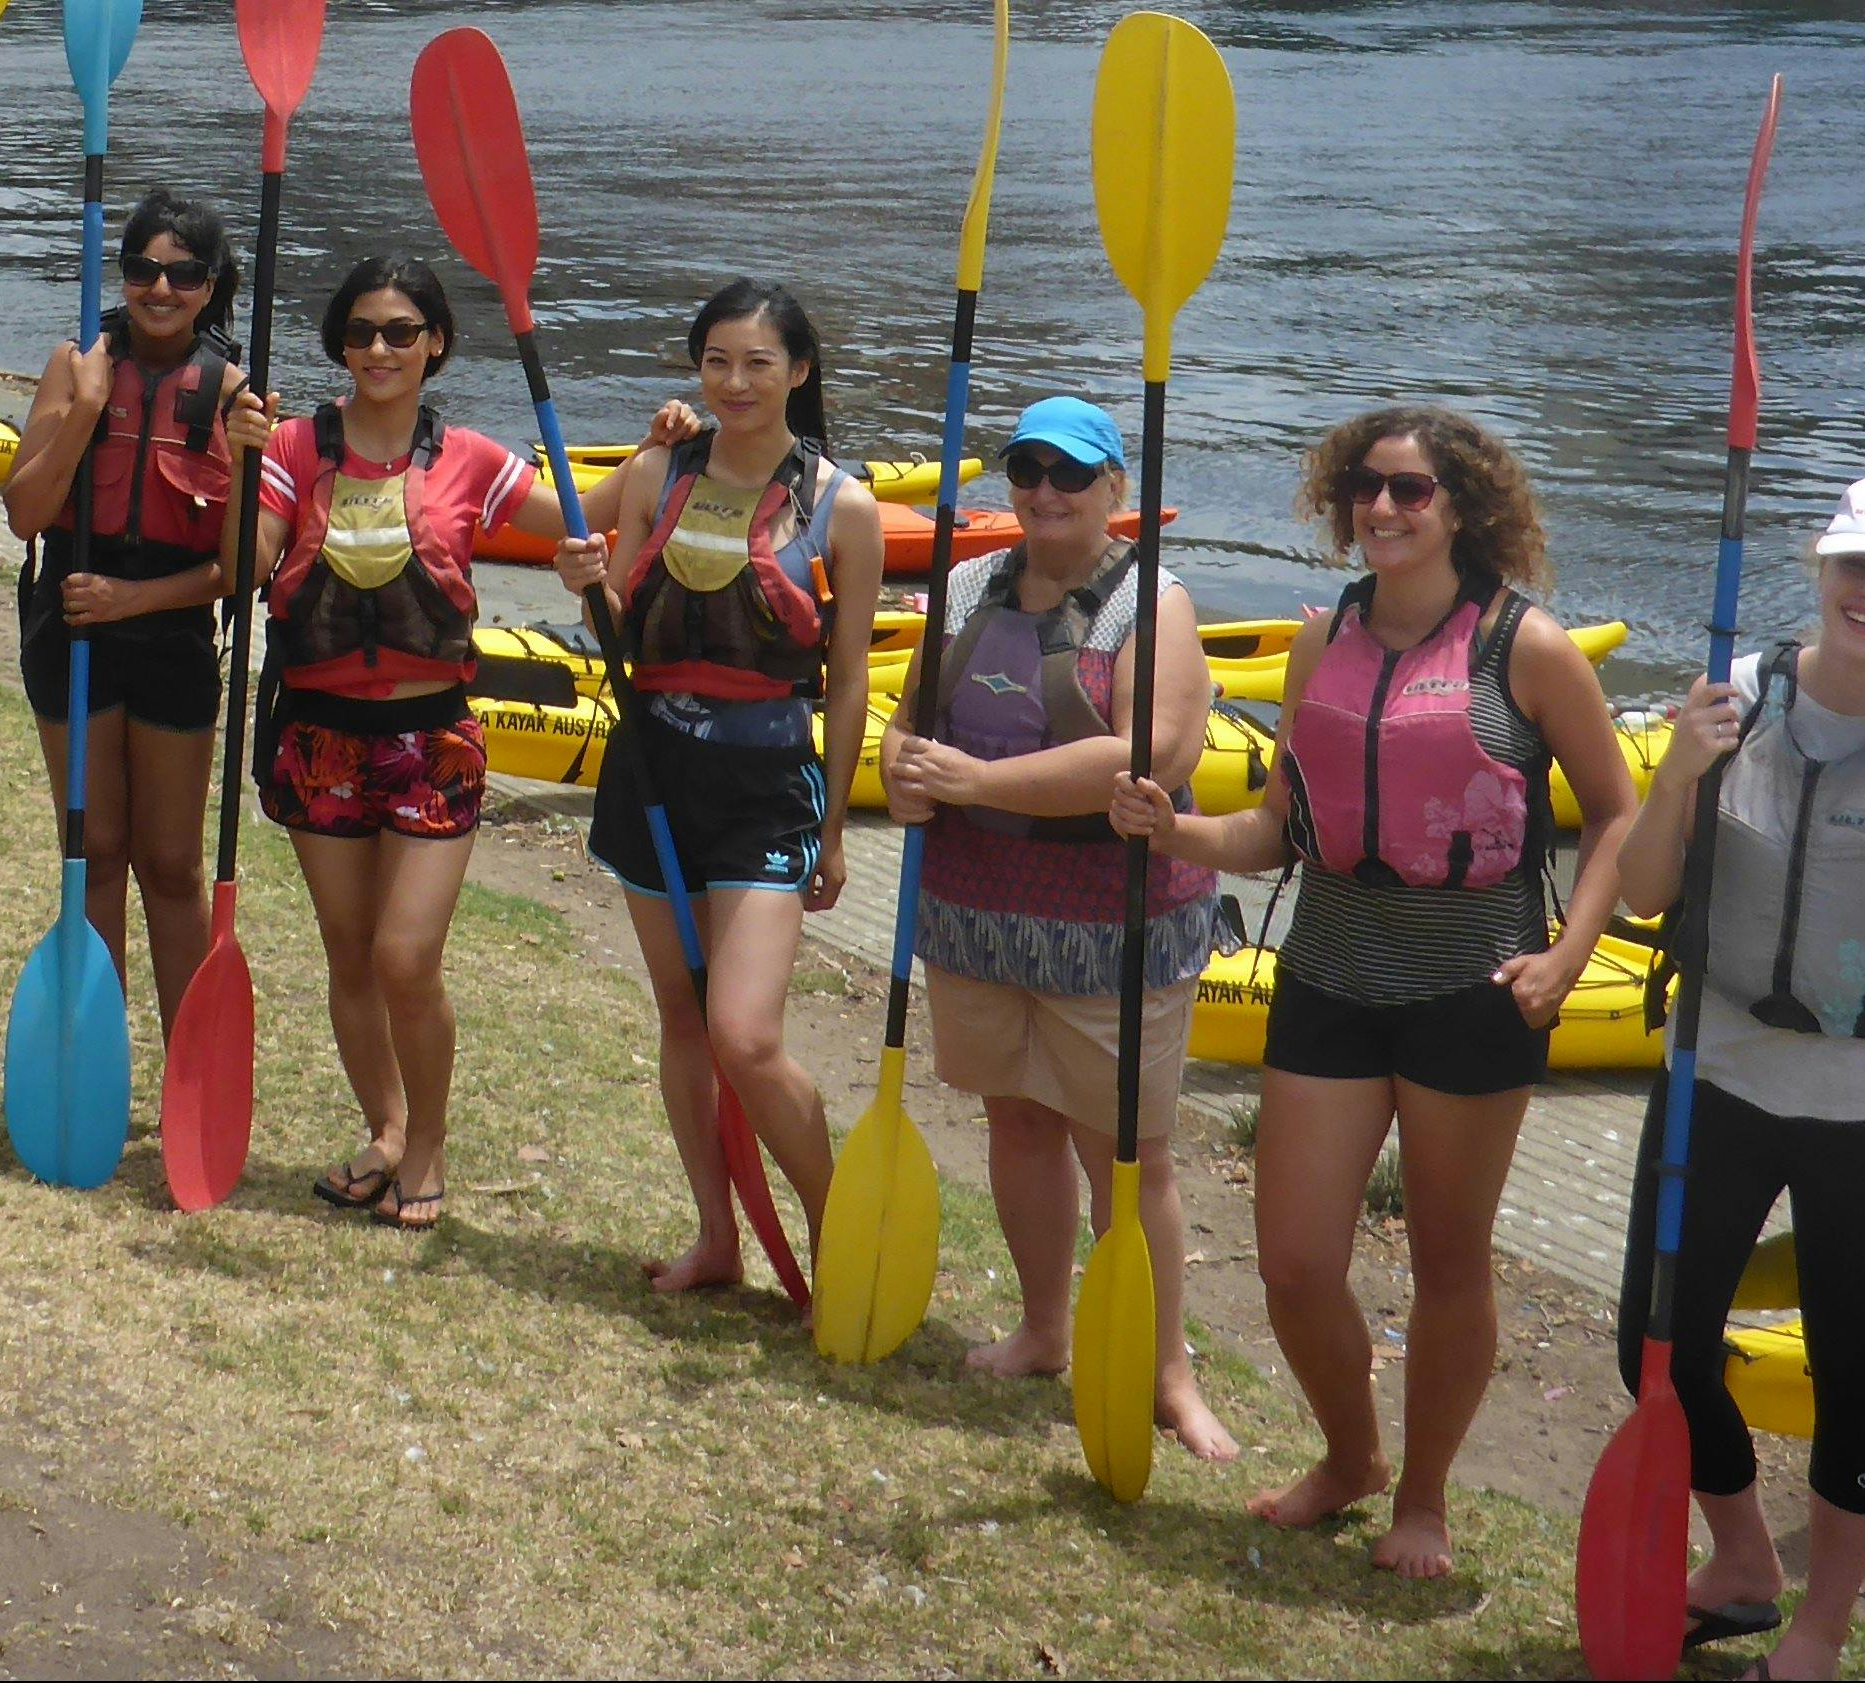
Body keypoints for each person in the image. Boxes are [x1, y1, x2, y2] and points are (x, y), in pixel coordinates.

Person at [1113, 404, 1641, 1570]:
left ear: (1464, 509)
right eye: (1369, 488)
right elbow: (1278, 832)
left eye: (1411, 490)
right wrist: (1175, 830)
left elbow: (1615, 813)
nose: (1385, 509)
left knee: (1449, 1262)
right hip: (1335, 971)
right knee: (1297, 1264)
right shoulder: (1324, 641)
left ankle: (1426, 1502)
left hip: (1473, 985)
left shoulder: (1526, 648)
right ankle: (1352, 1459)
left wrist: (1570, 957)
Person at [1610, 478, 1865, 1679]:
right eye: (1856, 569)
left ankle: (1822, 1632)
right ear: (1820, 570)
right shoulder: (1730, 703)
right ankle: (1742, 1559)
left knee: (1855, 1365)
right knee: (1656, 1343)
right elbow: (1642, 887)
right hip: (1719, 1079)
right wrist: (1680, 774)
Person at [873, 395, 1235, 1460]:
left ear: (1116, 490)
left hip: (1111, 925)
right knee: (1016, 1121)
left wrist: (979, 777)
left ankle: (1168, 1370)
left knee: (1129, 1158)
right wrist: (900, 776)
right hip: (976, 910)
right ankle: (1044, 1328)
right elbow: (910, 724)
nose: (1043, 493)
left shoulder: (1150, 606)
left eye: (1070, 475)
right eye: (1026, 471)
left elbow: (1152, 753)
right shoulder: (966, 586)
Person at [563, 280, 883, 1294]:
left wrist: (833, 829)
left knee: (745, 1034)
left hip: (763, 789)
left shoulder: (846, 506)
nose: (735, 382)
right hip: (653, 770)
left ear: (799, 372)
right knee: (685, 1024)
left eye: (758, 363)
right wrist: (588, 585)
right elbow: (615, 624)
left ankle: (843, 1238)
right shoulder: (659, 468)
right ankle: (717, 1237)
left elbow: (848, 677)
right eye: (716, 362)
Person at [247, 250, 551, 1228]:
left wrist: (662, 459)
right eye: (361, 333)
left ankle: (427, 1143)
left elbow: (585, 527)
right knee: (349, 953)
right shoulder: (294, 448)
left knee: (405, 957)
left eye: (400, 332)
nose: (379, 349)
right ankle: (383, 1131)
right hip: (320, 733)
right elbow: (246, 566)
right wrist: (238, 459)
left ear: (437, 345)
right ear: (340, 344)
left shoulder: (471, 458)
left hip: (431, 739)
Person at [0, 187, 266, 1033]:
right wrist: (83, 408)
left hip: (172, 629)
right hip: (69, 624)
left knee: (175, 864)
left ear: (214, 284)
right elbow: (24, 511)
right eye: (143, 268)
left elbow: (243, 565)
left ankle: (189, 1071)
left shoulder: (234, 394)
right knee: (96, 851)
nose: (161, 287)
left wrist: (136, 598)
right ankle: (95, 1049)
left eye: (185, 272)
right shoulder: (76, 362)